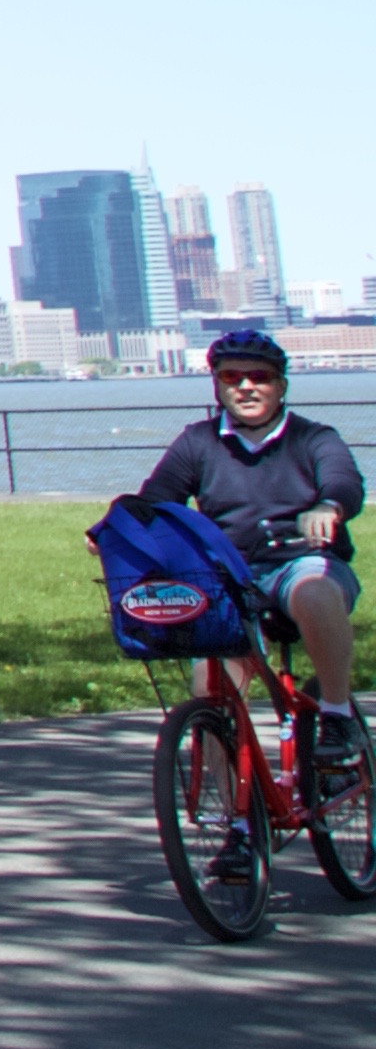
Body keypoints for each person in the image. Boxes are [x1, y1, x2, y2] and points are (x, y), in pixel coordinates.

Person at [141, 327, 366, 769]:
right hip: (231, 575)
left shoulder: (313, 438)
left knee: (315, 591)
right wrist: (112, 531)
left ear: (281, 385)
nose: (245, 386)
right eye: (232, 377)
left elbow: (344, 481)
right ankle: (236, 810)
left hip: (299, 562)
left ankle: (338, 716)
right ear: (218, 385)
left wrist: (329, 506)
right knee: (211, 691)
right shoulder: (198, 442)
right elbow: (156, 501)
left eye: (259, 377)